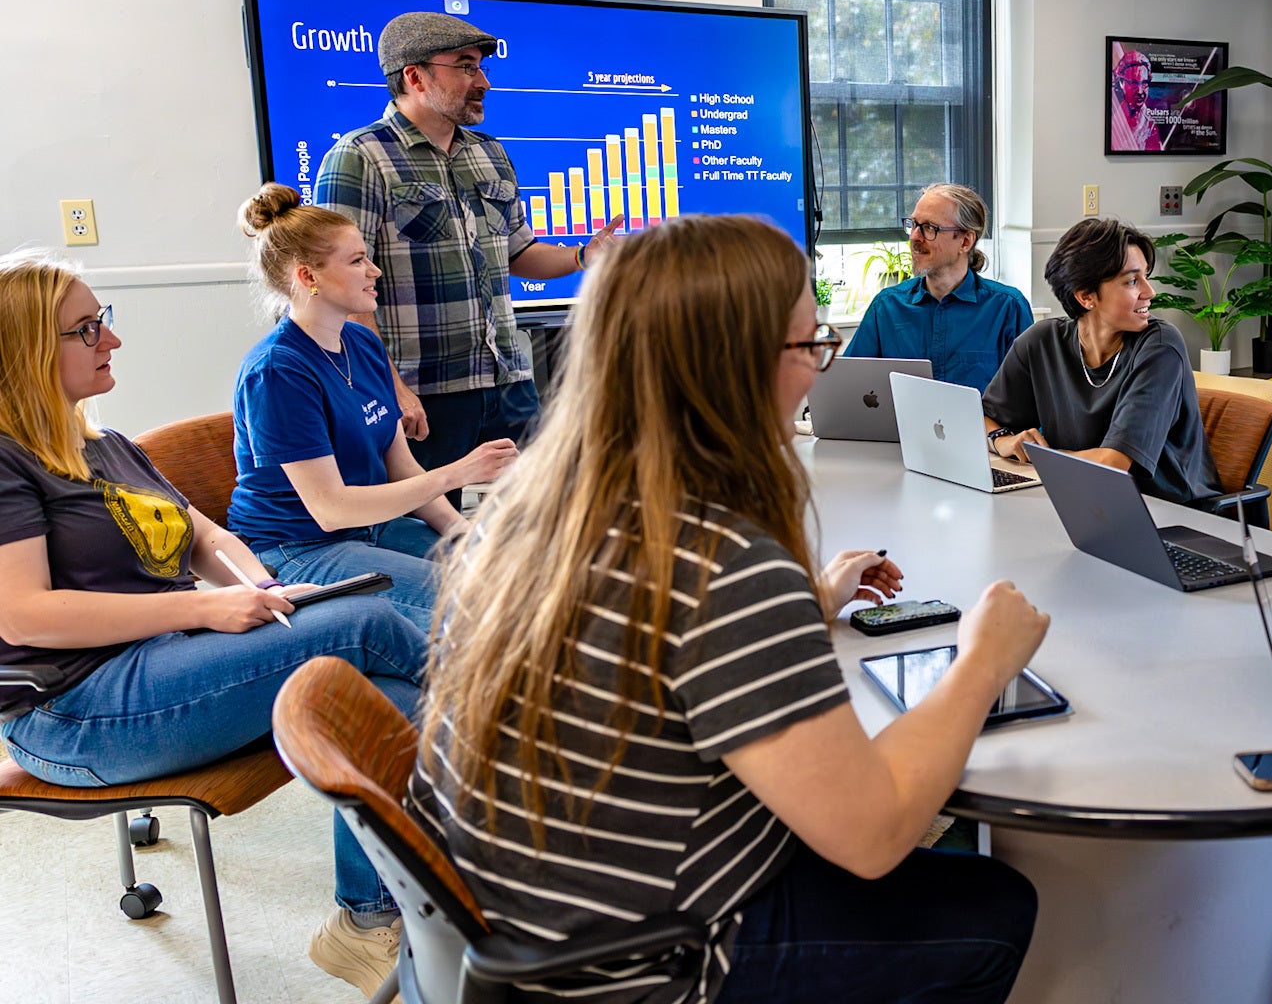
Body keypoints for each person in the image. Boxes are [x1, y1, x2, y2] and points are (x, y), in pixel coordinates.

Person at [409, 215, 1046, 1004]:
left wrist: (806, 604)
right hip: (648, 964)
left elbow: (649, 651)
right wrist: (983, 660)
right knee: (992, 904)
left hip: (519, 919)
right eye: (810, 346)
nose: (817, 370)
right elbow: (874, 834)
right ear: (736, 366)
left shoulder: (528, 510)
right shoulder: (721, 563)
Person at [0, 249, 429, 998]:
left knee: (389, 698)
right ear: (26, 351)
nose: (112, 339)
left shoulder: (107, 447)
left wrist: (263, 587)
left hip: (161, 665)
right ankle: (530, 793)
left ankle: (367, 921)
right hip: (75, 711)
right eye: (87, 328)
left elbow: (206, 537)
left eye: (104, 320)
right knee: (368, 623)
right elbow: (23, 612)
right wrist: (205, 606)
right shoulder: (8, 462)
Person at [314, 10, 618, 487]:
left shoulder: (490, 153)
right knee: (431, 525)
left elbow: (518, 252)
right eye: (465, 67)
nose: (483, 82)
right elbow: (341, 289)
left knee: (543, 510)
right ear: (415, 77)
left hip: (508, 381)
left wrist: (583, 256)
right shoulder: (359, 157)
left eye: (481, 67)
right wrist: (390, 388)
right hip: (423, 392)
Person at [228, 183, 521, 632]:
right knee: (475, 609)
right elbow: (331, 509)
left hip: (372, 527)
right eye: (357, 261)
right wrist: (458, 473)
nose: (375, 270)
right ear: (307, 277)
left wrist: (461, 532)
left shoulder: (362, 343)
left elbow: (400, 465)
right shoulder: (277, 371)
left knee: (517, 576)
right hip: (301, 547)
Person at [981, 218, 1222, 506]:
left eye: (1145, 276)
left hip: (1169, 512)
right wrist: (1001, 440)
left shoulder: (1160, 346)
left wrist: (1038, 458)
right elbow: (981, 418)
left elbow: (1113, 464)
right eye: (1132, 281)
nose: (1150, 292)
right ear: (1086, 296)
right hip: (1081, 499)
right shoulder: (1041, 341)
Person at [843, 183, 1032, 392]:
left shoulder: (1008, 308)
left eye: (929, 228)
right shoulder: (886, 307)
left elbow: (1030, 398)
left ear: (965, 241)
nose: (914, 237)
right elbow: (849, 386)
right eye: (914, 224)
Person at [1110, 46, 1160, 152]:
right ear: (1121, 83)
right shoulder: (1112, 119)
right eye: (1134, 84)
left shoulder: (1150, 127)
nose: (1140, 92)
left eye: (1144, 84)